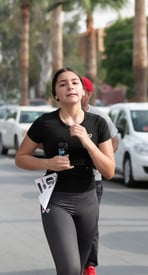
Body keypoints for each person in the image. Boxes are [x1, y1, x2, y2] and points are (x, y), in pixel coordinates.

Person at [15, 67, 115, 275]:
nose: (70, 86)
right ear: (56, 95)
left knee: (78, 268)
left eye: (74, 82)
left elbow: (109, 171)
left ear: (83, 91)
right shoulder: (45, 123)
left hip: (88, 200)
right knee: (69, 269)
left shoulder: (98, 123)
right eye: (63, 84)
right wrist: (48, 164)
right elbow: (20, 158)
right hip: (56, 200)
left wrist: (88, 142)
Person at [81, 77, 119, 275]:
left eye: (81, 90)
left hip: (93, 180)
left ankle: (89, 265)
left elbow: (114, 139)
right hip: (65, 181)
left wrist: (102, 156)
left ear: (88, 93)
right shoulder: (59, 117)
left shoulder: (99, 117)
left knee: (90, 224)